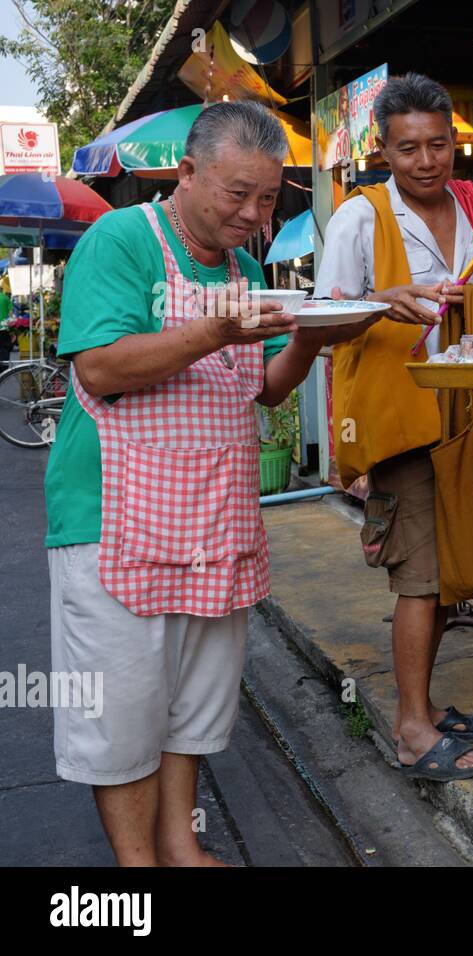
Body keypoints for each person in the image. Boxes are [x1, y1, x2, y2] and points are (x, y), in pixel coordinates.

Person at [44, 101, 375, 866]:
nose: (255, 214)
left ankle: (178, 847)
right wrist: (216, 330)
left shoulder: (247, 269)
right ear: (187, 174)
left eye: (269, 198)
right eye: (237, 194)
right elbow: (99, 366)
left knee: (193, 703)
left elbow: (262, 387)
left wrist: (313, 338)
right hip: (113, 520)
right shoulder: (121, 241)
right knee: (123, 712)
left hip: (211, 520)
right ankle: (139, 868)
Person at [315, 73, 473, 782]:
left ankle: (423, 707)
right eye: (408, 149)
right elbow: (323, 320)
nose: (427, 162)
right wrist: (378, 300)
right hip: (403, 425)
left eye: (437, 145)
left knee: (451, 576)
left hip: (466, 417)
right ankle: (409, 729)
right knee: (420, 581)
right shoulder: (360, 218)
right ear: (383, 150)